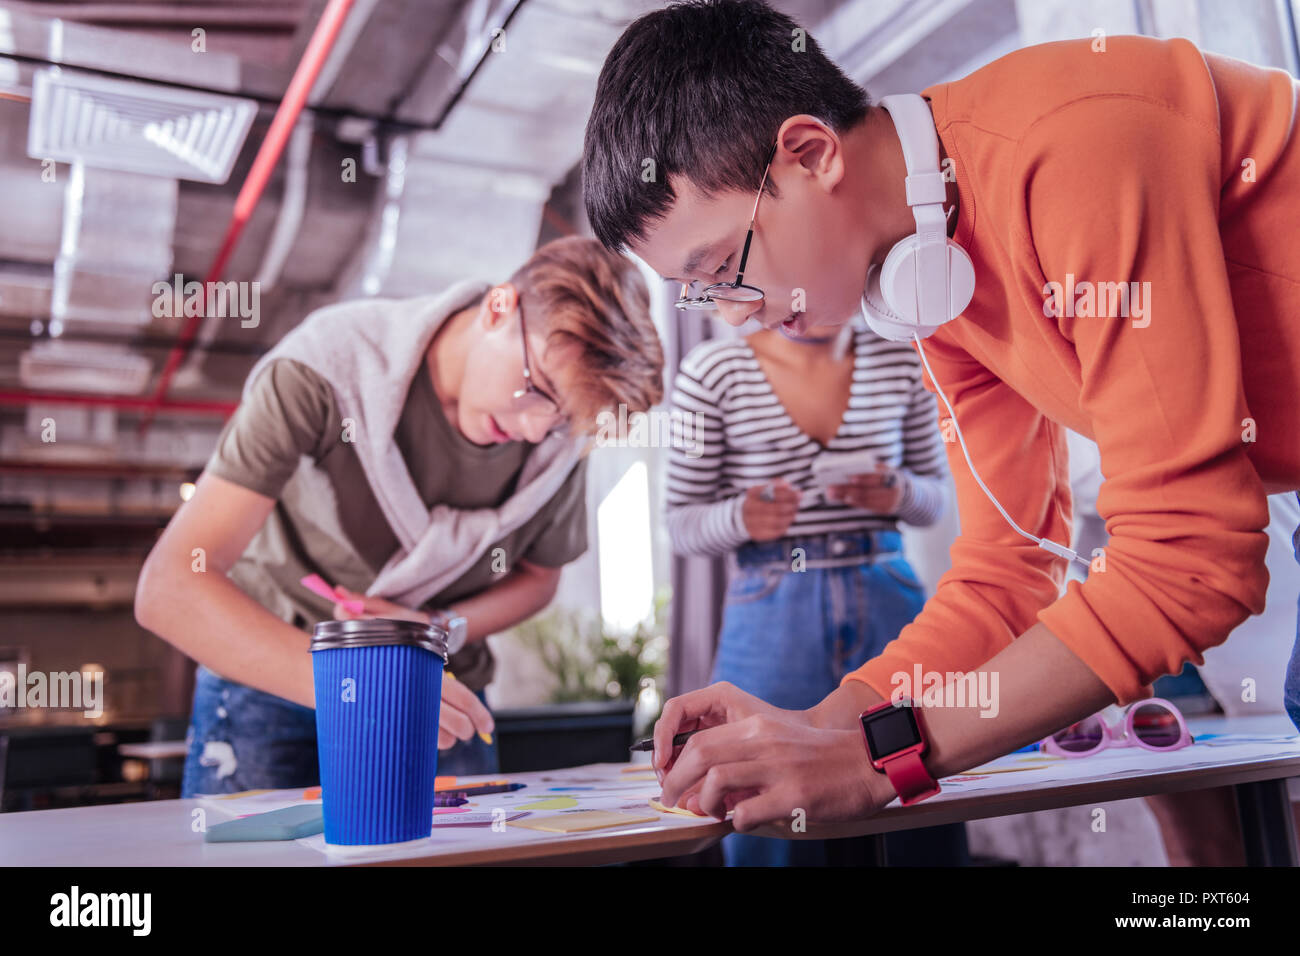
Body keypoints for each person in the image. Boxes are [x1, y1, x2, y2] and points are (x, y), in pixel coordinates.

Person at [581, 0, 1300, 830]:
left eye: (720, 269)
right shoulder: (929, 280)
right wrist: (820, 725)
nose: (730, 313)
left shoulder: (1069, 142)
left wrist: (880, 758)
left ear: (810, 154)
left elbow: (1189, 558)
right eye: (699, 294)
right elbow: (1009, 570)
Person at [135, 236, 664, 796]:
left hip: (436, 688)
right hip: (270, 677)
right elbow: (170, 587)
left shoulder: (557, 439)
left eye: (561, 419)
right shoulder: (323, 368)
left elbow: (538, 580)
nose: (537, 431)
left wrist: (439, 629)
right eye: (536, 389)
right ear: (497, 308)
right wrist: (358, 679)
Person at [667, 321, 961, 865]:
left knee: (920, 789)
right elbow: (681, 524)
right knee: (761, 807)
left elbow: (938, 500)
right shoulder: (713, 371)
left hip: (888, 590)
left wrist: (897, 491)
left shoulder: (905, 357)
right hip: (771, 607)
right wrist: (741, 518)